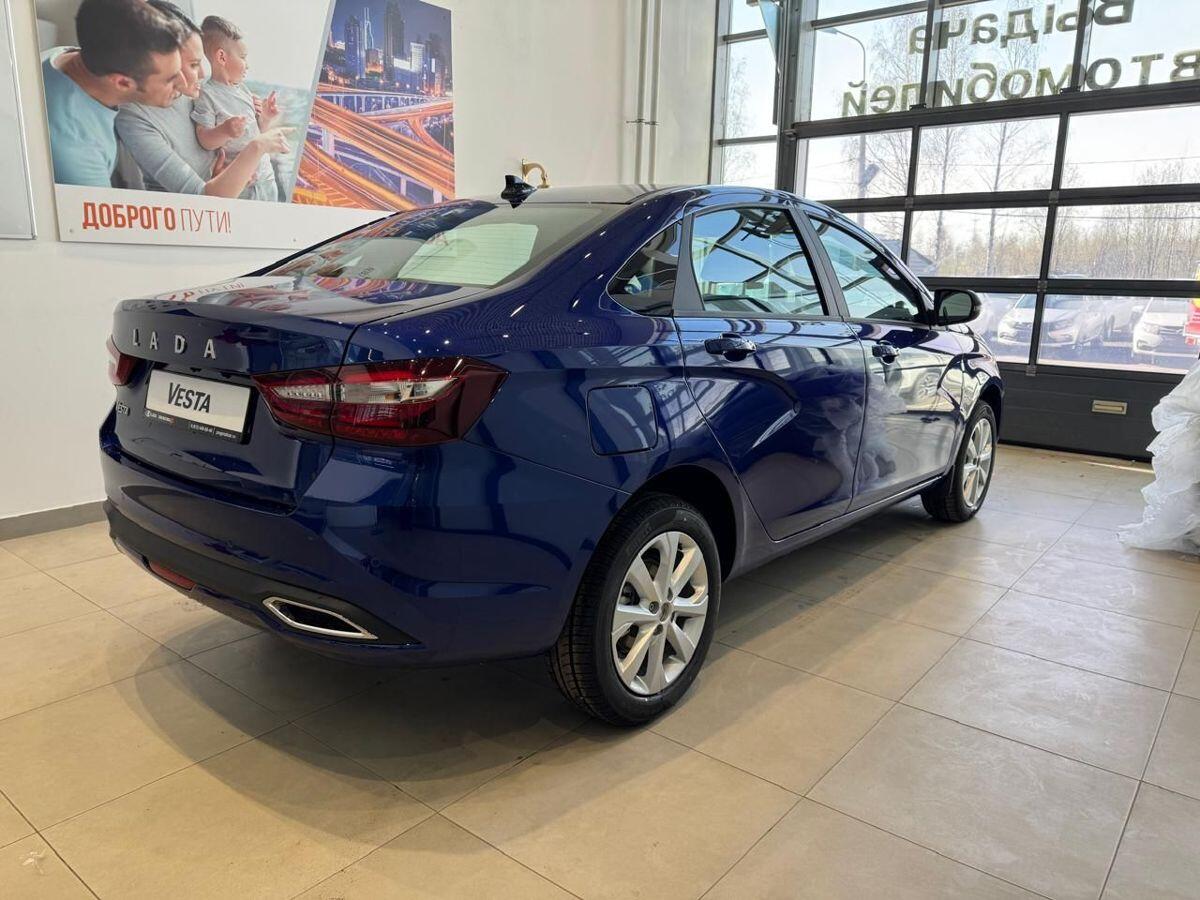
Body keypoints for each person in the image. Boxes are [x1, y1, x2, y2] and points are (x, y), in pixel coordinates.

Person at [115, 2, 292, 198]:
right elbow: (201, 194)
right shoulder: (134, 119)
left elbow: (235, 139)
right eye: (193, 64)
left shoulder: (197, 91)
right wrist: (257, 147)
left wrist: (261, 120)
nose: (201, 74)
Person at [42, 0, 185, 187]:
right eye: (170, 79)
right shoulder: (76, 151)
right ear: (122, 83)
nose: (183, 83)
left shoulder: (70, 56)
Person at [192, 16, 281, 202]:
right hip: (242, 186)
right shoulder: (207, 94)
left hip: (266, 178)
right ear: (222, 57)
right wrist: (224, 131)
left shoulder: (244, 91)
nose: (247, 65)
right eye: (243, 57)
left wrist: (265, 118)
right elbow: (204, 139)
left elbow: (255, 134)